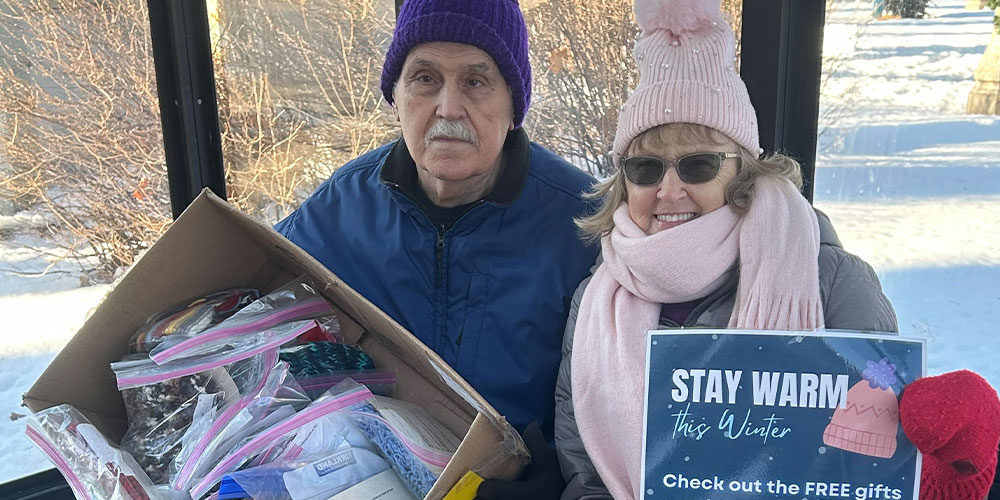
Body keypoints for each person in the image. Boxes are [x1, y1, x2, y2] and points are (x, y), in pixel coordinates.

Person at [553, 1, 1000, 499]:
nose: (669, 189)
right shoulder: (598, 299)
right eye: (645, 168)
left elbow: (875, 460)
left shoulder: (829, 279)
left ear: (742, 172)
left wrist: (954, 468)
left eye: (698, 165)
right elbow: (585, 474)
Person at [275, 0, 596, 497]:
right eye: (425, 78)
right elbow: (252, 317)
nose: (448, 107)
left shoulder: (582, 223)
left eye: (475, 81)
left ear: (513, 104)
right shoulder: (339, 210)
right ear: (397, 96)